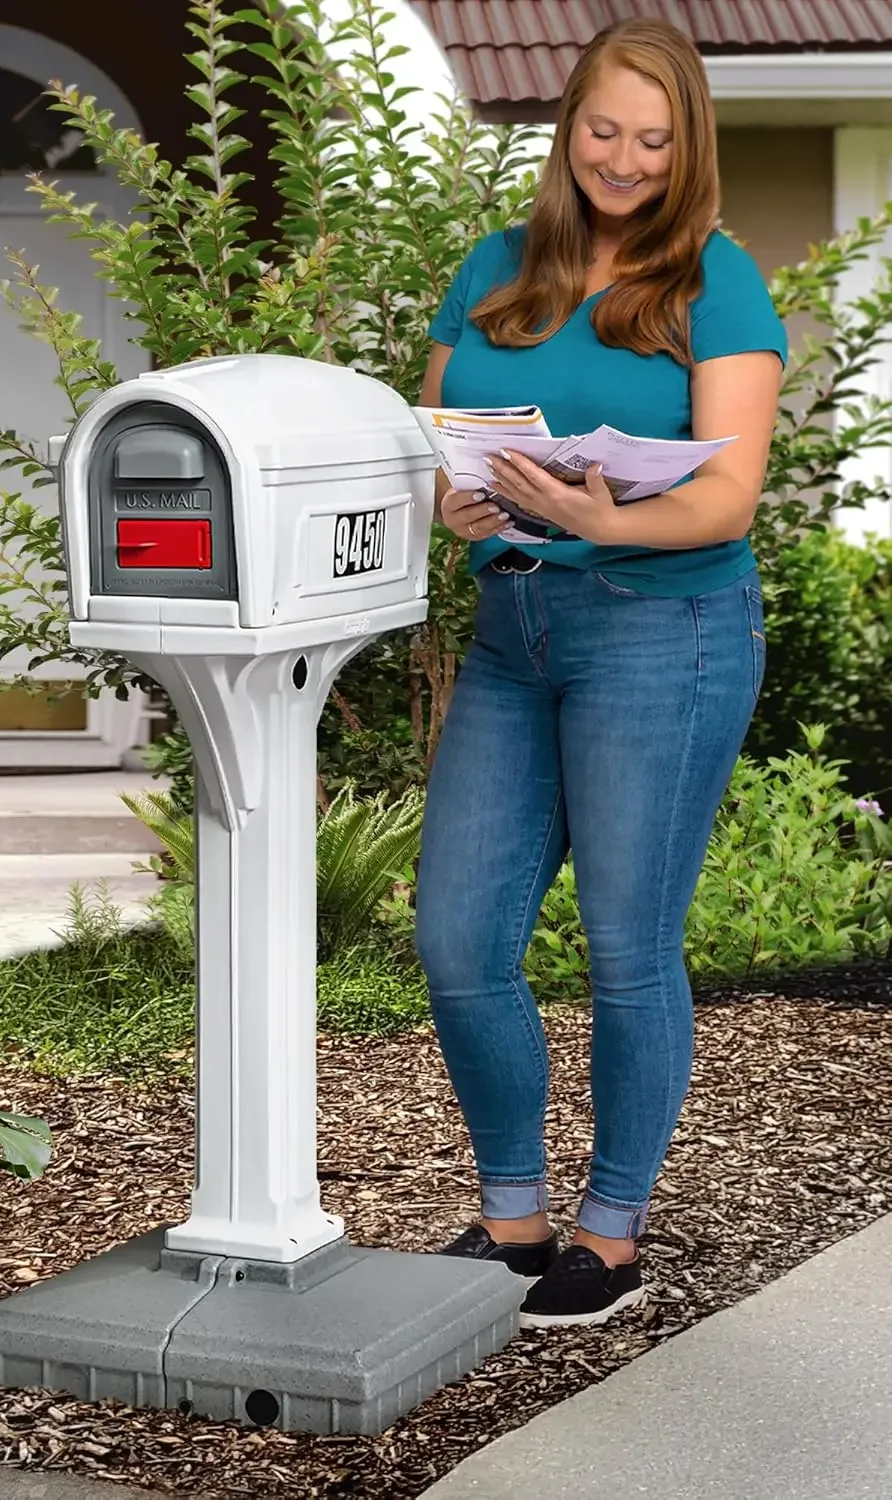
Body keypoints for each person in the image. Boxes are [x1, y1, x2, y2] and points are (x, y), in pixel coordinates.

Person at [414, 17, 786, 1329]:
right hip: (515, 633)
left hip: (662, 630)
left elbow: (730, 495)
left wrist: (602, 518)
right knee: (459, 937)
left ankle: (611, 1232)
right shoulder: (495, 267)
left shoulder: (714, 280)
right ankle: (513, 1216)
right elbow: (443, 442)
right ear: (565, 125)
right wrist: (457, 507)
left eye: (652, 138)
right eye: (602, 130)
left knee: (629, 948)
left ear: (687, 150)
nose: (622, 160)